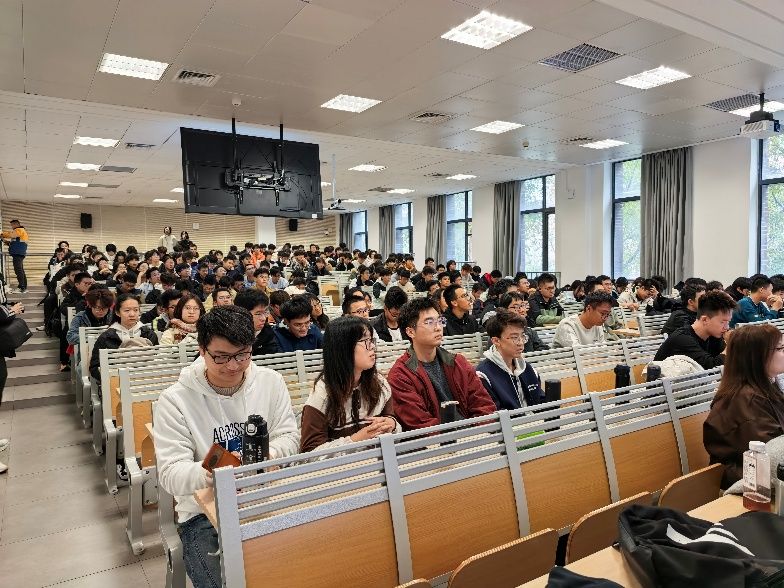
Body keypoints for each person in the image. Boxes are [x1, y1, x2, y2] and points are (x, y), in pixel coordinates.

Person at [153, 305, 299, 588]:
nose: (233, 366)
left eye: (242, 354)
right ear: (201, 350)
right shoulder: (175, 401)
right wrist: (214, 471)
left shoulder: (270, 382)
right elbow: (171, 475)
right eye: (221, 357)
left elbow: (289, 438)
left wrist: (265, 455)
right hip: (203, 515)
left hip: (267, 497)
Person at [387, 298, 496, 430]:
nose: (438, 328)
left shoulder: (458, 363)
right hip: (437, 441)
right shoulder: (400, 375)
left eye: (440, 321)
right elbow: (420, 425)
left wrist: (478, 433)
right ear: (410, 332)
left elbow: (483, 405)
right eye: (429, 322)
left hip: (476, 435)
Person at [300, 316, 400, 453]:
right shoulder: (322, 394)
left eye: (371, 340)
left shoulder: (379, 383)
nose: (372, 347)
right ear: (343, 348)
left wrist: (392, 425)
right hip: (343, 466)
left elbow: (394, 427)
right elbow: (309, 454)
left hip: (378, 461)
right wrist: (355, 440)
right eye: (365, 341)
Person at [703, 323, 784, 489]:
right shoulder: (746, 400)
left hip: (765, 477)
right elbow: (773, 453)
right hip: (746, 485)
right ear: (757, 357)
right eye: (780, 348)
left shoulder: (764, 386)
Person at [476, 310, 545, 411]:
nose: (521, 342)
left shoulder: (528, 369)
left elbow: (542, 401)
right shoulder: (483, 376)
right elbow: (493, 414)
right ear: (496, 341)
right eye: (514, 337)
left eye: (523, 336)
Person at [653, 290, 737, 369]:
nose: (726, 327)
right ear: (705, 320)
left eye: (728, 322)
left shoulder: (713, 334)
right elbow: (712, 368)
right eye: (723, 322)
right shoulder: (683, 339)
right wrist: (730, 344)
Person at [89, 294, 158, 381]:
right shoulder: (106, 337)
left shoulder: (149, 334)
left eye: (136, 310)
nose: (132, 314)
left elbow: (158, 360)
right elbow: (95, 367)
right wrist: (112, 378)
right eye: (127, 310)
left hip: (146, 380)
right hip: (117, 381)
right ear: (117, 312)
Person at [234, 290, 279, 355]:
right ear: (241, 314)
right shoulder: (229, 334)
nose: (263, 318)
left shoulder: (267, 332)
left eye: (265, 312)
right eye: (258, 314)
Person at [1, 219, 28, 293]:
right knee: (20, 270)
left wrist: (1, 234)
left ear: (16, 224)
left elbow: (11, 235)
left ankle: (21, 288)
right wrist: (3, 240)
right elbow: (13, 243)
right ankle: (24, 287)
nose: (12, 227)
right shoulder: (19, 233)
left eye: (12, 225)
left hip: (18, 253)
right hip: (18, 253)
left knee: (18, 270)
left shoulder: (19, 230)